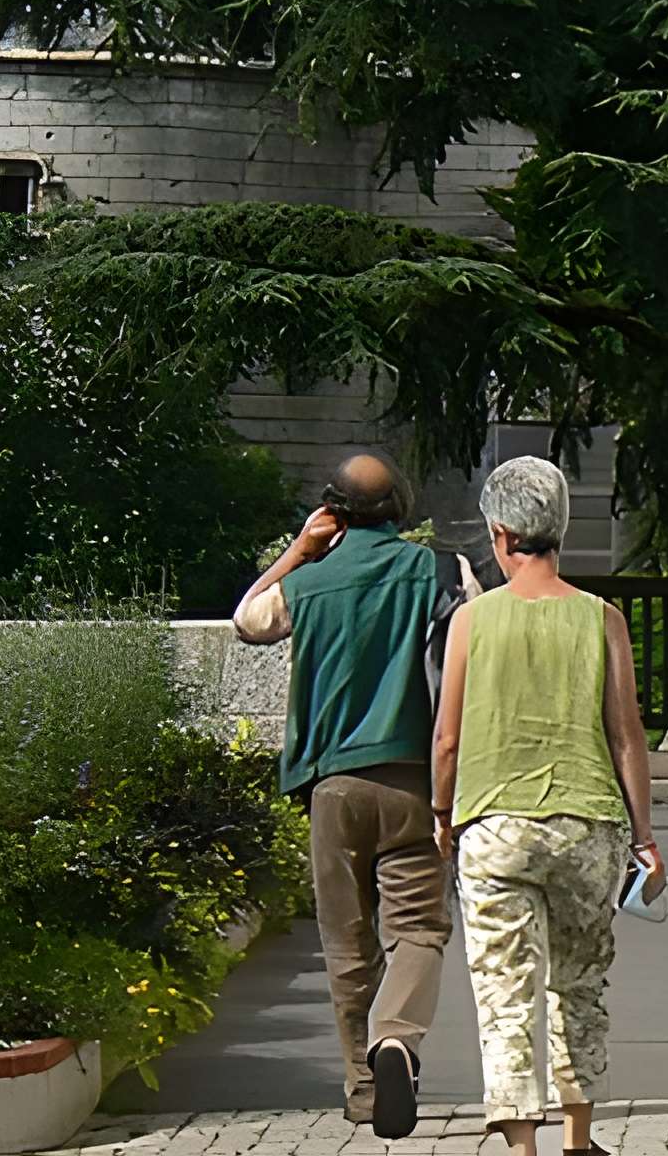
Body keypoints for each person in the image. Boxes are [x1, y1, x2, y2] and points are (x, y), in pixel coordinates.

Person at [432, 456, 665, 1153]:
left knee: (505, 991)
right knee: (579, 983)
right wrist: (644, 835)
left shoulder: (472, 621)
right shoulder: (602, 618)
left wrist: (442, 815)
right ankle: (579, 1135)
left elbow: (447, 737)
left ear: (500, 534)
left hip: (494, 824)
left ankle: (521, 1147)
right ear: (559, 529)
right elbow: (628, 736)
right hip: (587, 823)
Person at [234, 451, 459, 1137]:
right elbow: (471, 640)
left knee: (347, 943)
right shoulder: (434, 571)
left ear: (333, 511)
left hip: (331, 784)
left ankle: (362, 1090)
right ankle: (396, 1038)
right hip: (412, 778)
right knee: (418, 928)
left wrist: (298, 550)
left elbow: (247, 621)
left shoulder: (309, 583)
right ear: (401, 509)